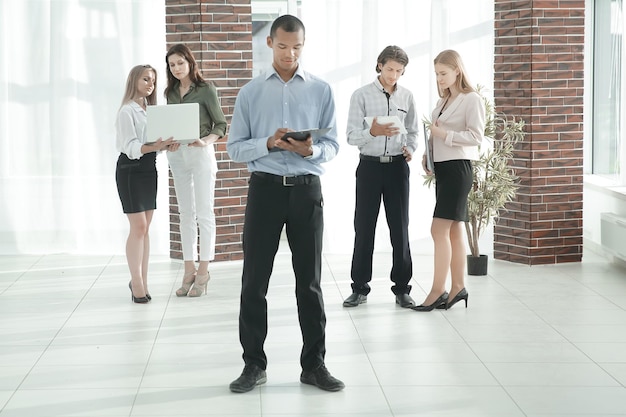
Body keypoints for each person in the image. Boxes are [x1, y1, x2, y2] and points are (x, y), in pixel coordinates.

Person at [226, 14, 344, 393]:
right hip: (265, 190)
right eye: (282, 46)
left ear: (303, 45)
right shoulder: (250, 93)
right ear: (269, 44)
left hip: (307, 190)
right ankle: (253, 365)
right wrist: (269, 143)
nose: (289, 53)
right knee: (254, 281)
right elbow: (233, 149)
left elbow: (333, 146)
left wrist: (310, 149)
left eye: (296, 47)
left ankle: (314, 365)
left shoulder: (322, 90)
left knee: (309, 283)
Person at [342, 45, 419, 309]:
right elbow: (352, 136)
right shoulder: (360, 95)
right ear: (379, 66)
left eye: (399, 71)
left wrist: (410, 148)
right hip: (369, 168)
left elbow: (413, 132)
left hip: (398, 168)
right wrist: (372, 133)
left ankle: (402, 289)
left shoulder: (407, 97)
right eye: (389, 69)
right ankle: (359, 288)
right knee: (364, 228)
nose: (393, 75)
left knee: (400, 230)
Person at [413, 49, 484, 311]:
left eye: (443, 73)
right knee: (453, 230)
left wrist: (444, 136)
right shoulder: (443, 101)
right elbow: (436, 134)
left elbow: (476, 137)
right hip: (443, 169)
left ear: (457, 70)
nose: (440, 79)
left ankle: (437, 291)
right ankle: (458, 287)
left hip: (458, 169)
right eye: (437, 74)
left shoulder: (471, 99)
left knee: (438, 229)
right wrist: (427, 154)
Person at [164, 44, 228, 297]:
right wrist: (167, 141)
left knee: (204, 212)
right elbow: (171, 122)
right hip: (177, 156)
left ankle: (203, 270)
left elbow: (221, 124)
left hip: (201, 152)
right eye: (172, 65)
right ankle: (188, 268)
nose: (177, 68)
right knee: (184, 213)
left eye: (180, 62)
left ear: (190, 62)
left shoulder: (205, 89)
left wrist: (205, 141)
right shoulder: (170, 92)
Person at [115, 64, 174, 303]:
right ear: (134, 81)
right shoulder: (126, 111)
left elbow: (152, 146)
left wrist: (165, 146)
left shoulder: (151, 110)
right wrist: (155, 146)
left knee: (145, 228)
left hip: (149, 169)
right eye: (145, 79)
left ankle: (142, 279)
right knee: (138, 227)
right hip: (130, 170)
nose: (150, 84)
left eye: (153, 81)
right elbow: (130, 147)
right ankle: (136, 281)